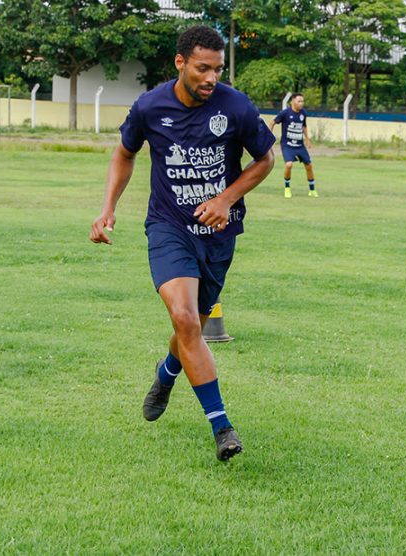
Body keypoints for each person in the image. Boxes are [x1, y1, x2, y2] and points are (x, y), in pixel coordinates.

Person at [89, 25, 276, 461]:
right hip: (169, 227)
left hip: (218, 235)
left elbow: (265, 159)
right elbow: (124, 152)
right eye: (202, 68)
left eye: (218, 69)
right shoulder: (150, 106)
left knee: (187, 327)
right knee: (186, 319)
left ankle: (168, 371)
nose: (212, 78)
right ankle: (222, 427)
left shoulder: (236, 106)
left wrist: (226, 199)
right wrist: (108, 208)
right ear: (180, 63)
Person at [269, 93, 317, 198]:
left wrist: (307, 139)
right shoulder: (285, 113)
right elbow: (272, 122)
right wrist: (269, 137)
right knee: (289, 165)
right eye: (299, 101)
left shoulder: (303, 113)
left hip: (300, 145)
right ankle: (287, 188)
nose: (301, 103)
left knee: (309, 165)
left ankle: (312, 190)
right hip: (287, 145)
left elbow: (304, 126)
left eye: (302, 101)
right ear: (293, 102)